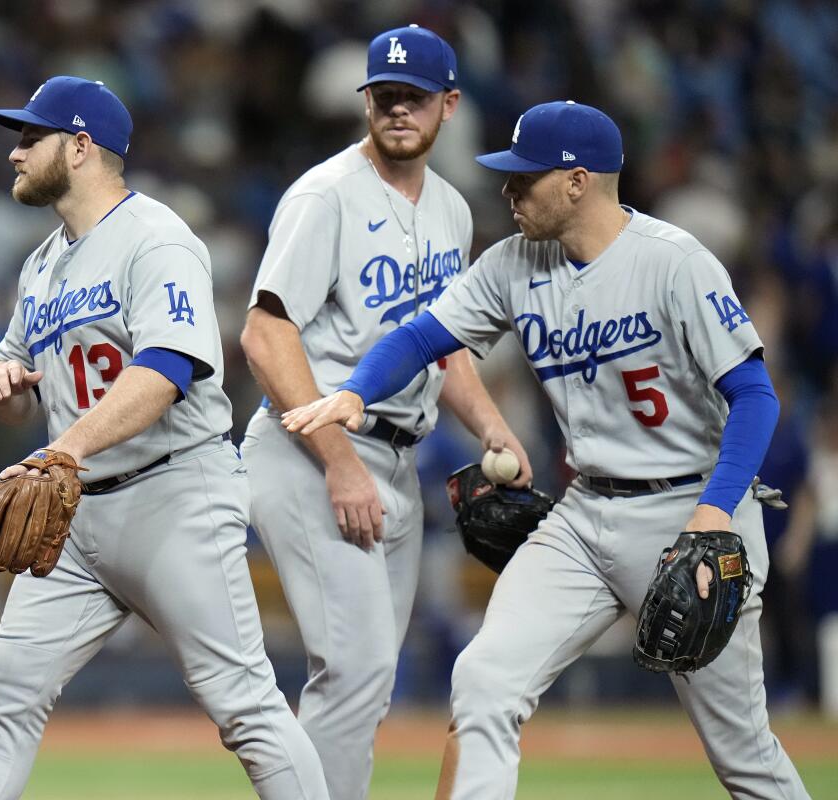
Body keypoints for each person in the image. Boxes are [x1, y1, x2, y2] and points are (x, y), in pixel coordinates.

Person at [283, 100, 811, 799]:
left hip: (692, 514)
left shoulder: (675, 264)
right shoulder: (513, 262)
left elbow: (756, 396)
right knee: (483, 682)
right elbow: (419, 338)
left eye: (523, 179)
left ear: (577, 181)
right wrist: (355, 392)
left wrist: (715, 511)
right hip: (585, 515)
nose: (508, 192)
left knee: (741, 750)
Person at [0, 76, 330, 800]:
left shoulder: (156, 237)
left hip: (173, 494)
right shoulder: (41, 264)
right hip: (77, 510)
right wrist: (5, 385)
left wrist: (65, 448)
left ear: (81, 146)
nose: (16, 154)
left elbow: (167, 369)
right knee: (3, 697)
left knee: (243, 706)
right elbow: (16, 376)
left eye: (32, 138)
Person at [238, 24, 530, 800]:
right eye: (386, 96)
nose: (399, 110)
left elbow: (442, 343)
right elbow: (265, 337)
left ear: (449, 105)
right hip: (312, 450)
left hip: (396, 458)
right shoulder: (325, 195)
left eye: (415, 98)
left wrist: (491, 424)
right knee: (357, 670)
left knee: (365, 684)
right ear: (366, 100)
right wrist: (337, 462)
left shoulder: (452, 211)